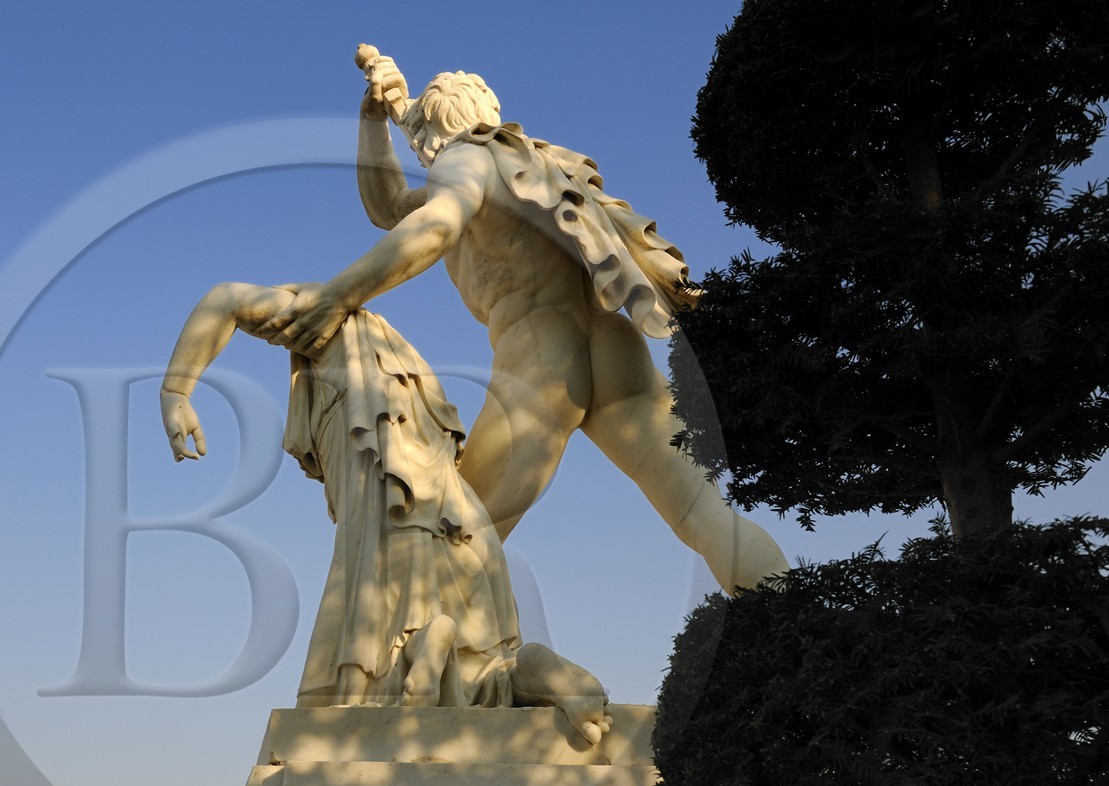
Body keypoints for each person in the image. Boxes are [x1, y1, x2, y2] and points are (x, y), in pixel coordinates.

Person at [265, 55, 789, 594]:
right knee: (702, 513)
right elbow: (392, 205)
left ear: (430, 136)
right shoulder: (530, 164)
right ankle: (797, 625)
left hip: (541, 355)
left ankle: (435, 673)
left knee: (453, 534)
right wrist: (377, 122)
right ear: (488, 109)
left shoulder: (460, 162)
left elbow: (433, 226)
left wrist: (336, 297)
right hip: (616, 347)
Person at [163, 282, 610, 736]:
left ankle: (406, 663)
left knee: (370, 593)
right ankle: (508, 669)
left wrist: (176, 390)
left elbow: (226, 300)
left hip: (381, 476)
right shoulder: (397, 357)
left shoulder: (324, 319)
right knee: (476, 657)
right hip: (447, 505)